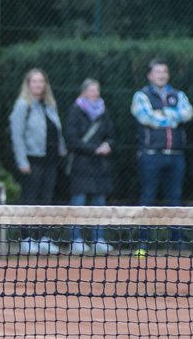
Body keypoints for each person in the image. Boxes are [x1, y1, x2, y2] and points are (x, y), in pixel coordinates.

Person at [131, 58, 193, 255]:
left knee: (175, 199)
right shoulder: (141, 95)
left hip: (176, 156)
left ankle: (178, 244)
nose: (162, 75)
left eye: (164, 71)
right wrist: (173, 116)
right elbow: (146, 117)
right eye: (158, 72)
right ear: (150, 75)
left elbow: (187, 113)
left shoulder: (178, 94)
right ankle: (142, 244)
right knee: (147, 198)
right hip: (151, 156)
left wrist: (163, 113)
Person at [9, 68, 66, 255]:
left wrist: (61, 151)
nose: (38, 85)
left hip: (50, 158)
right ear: (28, 84)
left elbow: (56, 129)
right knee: (30, 199)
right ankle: (27, 237)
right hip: (31, 159)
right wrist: (22, 161)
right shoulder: (22, 105)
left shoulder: (49, 104)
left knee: (46, 198)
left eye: (41, 81)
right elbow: (16, 135)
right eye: (34, 81)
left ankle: (44, 237)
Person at [64, 79, 116, 255]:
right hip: (81, 165)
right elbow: (71, 139)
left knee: (99, 203)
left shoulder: (104, 112)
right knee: (78, 202)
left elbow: (111, 135)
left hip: (100, 167)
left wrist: (108, 145)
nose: (95, 93)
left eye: (97, 90)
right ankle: (75, 239)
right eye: (92, 90)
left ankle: (98, 239)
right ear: (84, 92)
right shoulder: (75, 112)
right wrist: (94, 149)